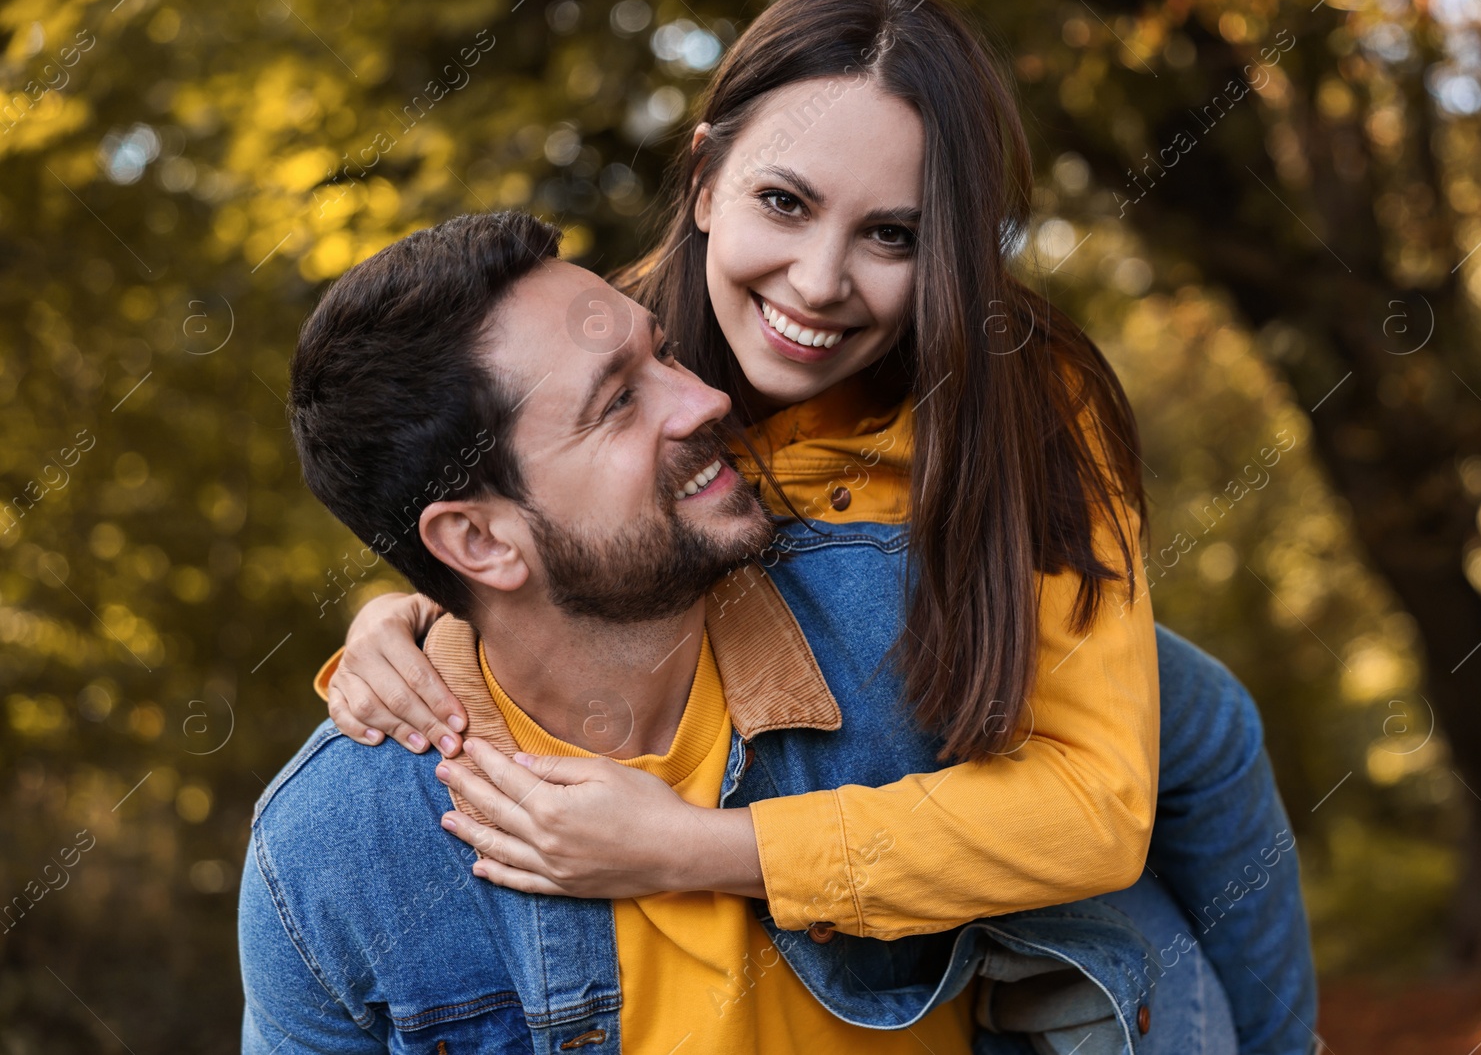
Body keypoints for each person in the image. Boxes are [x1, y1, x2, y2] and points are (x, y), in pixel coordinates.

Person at [312, 0, 1317, 1052]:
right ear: (704, 180)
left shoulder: (1025, 395)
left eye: (892, 234)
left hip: (962, 727)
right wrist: (405, 615)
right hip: (829, 756)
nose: (820, 282)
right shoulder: (623, 348)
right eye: (784, 203)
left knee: (1197, 714)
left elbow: (1097, 807)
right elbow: (503, 530)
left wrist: (698, 848)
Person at [247, 210, 1236, 1053]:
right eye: (619, 402)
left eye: (664, 352)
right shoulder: (331, 851)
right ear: (474, 539)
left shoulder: (912, 627)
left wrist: (703, 846)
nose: (709, 400)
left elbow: (1147, 789)